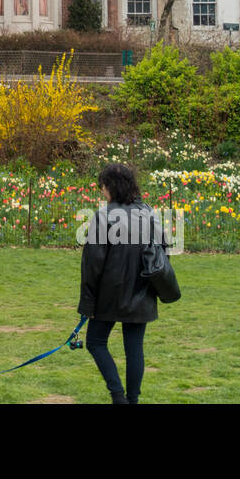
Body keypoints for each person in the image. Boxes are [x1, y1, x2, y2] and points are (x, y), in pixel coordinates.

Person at [78, 162, 159, 404]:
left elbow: (92, 265)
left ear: (111, 187)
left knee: (95, 342)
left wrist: (87, 304)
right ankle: (130, 400)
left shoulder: (104, 217)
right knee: (134, 348)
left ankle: (118, 396)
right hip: (143, 289)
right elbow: (161, 250)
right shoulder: (148, 212)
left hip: (110, 293)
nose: (102, 191)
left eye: (102, 186)